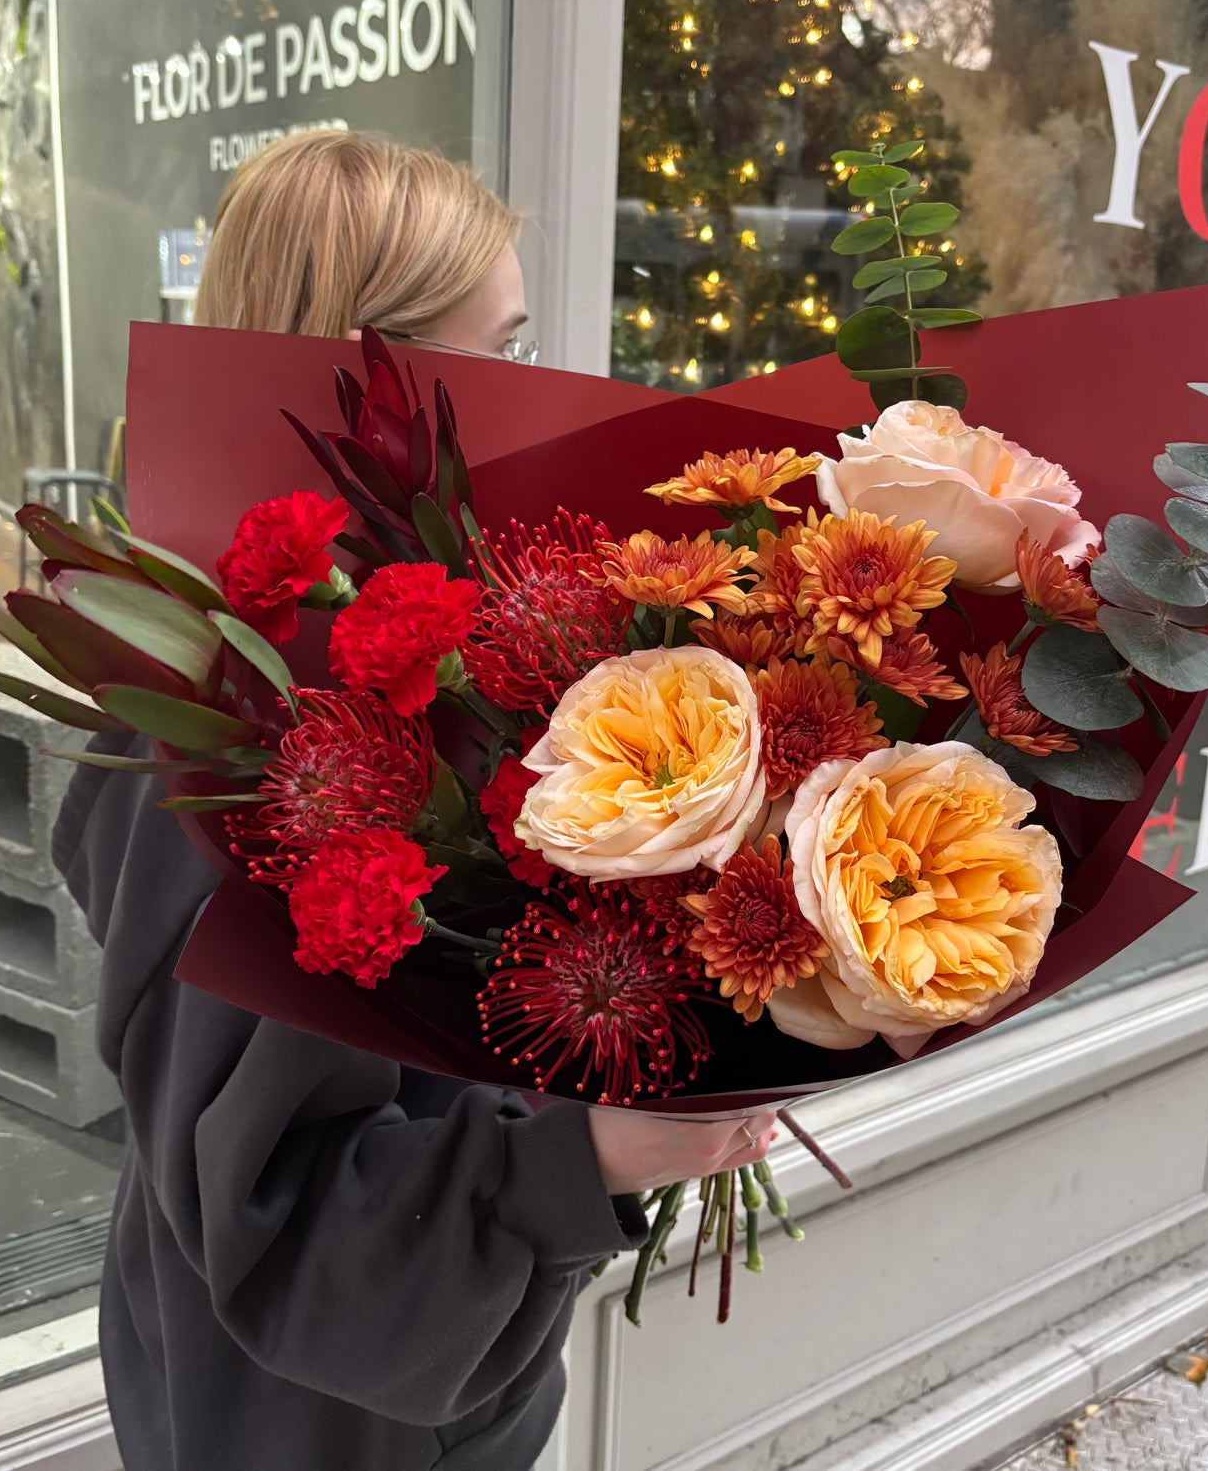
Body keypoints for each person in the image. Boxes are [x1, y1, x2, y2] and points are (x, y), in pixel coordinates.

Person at [55, 130, 776, 1471]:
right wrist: (591, 1155)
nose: (539, 394)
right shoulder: (240, 742)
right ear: (371, 388)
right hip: (308, 1422)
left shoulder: (399, 664)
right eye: (497, 354)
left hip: (422, 1378)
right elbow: (287, 1223)